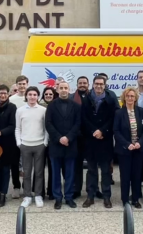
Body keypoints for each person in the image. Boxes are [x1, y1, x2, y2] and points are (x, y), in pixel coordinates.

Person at [82, 75, 117, 208]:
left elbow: (112, 118)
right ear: (93, 84)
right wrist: (93, 131)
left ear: (105, 85)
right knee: (91, 170)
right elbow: (84, 118)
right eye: (96, 84)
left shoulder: (110, 99)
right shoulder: (86, 99)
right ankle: (90, 196)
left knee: (106, 171)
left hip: (105, 139)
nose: (98, 86)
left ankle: (106, 197)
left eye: (101, 84)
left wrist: (102, 131)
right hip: (91, 140)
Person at [45, 80, 81, 209]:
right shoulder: (51, 106)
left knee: (70, 173)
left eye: (66, 87)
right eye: (61, 88)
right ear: (58, 90)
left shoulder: (76, 106)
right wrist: (59, 138)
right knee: (55, 173)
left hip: (70, 145)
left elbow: (78, 124)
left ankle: (69, 197)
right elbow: (48, 123)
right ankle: (58, 198)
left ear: (69, 89)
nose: (64, 90)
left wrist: (68, 138)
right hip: (56, 145)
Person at [114, 87, 143, 208]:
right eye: (128, 96)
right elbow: (116, 131)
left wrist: (140, 142)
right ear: (124, 98)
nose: (130, 98)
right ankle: (125, 199)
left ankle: (135, 199)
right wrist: (127, 144)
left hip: (138, 149)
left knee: (136, 175)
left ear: (135, 98)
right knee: (125, 175)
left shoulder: (141, 111)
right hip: (124, 150)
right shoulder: (119, 113)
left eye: (132, 96)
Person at [15, 86, 48, 208]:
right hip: (25, 145)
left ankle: (38, 195)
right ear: (26, 96)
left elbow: (46, 128)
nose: (32, 97)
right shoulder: (20, 110)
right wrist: (19, 142)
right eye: (30, 94)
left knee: (39, 172)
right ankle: (27, 196)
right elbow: (18, 128)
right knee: (26, 172)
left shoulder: (43, 110)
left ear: (38, 96)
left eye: (35, 95)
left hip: (39, 145)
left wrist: (45, 142)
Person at [0, 85, 17, 208]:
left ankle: (3, 195)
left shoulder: (12, 107)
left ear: (8, 95)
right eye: (1, 93)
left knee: (5, 170)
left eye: (5, 93)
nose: (2, 95)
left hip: (7, 143)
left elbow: (13, 125)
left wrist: (1, 132)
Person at [70, 76, 89, 199]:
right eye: (80, 83)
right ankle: (76, 189)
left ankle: (92, 189)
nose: (82, 85)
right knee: (77, 165)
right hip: (76, 137)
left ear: (88, 84)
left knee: (92, 164)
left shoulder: (93, 97)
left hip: (90, 136)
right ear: (77, 84)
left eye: (84, 83)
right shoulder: (71, 98)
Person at [39, 85, 58, 199]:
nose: (48, 96)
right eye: (46, 94)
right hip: (40, 140)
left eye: (50, 94)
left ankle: (51, 191)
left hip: (53, 141)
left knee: (52, 168)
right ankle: (39, 191)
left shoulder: (56, 106)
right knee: (39, 168)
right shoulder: (39, 106)